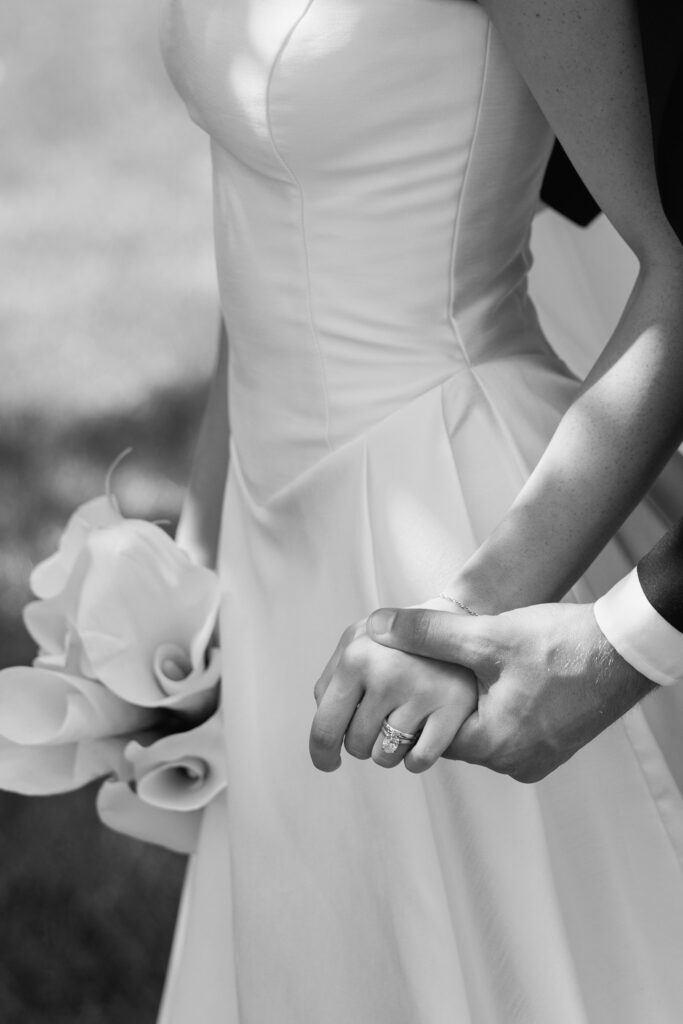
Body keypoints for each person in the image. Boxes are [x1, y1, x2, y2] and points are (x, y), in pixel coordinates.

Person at [157, 0, 683, 1021]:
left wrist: (464, 616)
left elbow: (674, 262)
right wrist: (199, 544)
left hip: (457, 522)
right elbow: (263, 201)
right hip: (273, 527)